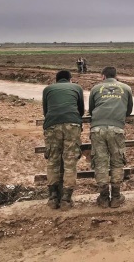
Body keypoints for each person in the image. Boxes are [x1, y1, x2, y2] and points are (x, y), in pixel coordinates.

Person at [89, 66, 133, 208]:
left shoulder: (96, 89)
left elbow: (91, 109)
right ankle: (116, 197)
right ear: (116, 75)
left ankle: (103, 198)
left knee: (100, 162)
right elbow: (129, 110)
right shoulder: (126, 88)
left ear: (103, 76)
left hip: (97, 129)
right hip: (116, 129)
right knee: (117, 162)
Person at [42, 70, 85, 209]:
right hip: (72, 125)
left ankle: (53, 198)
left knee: (53, 160)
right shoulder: (77, 88)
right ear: (70, 79)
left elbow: (46, 111)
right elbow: (81, 110)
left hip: (52, 125)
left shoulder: (47, 89)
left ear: (56, 80)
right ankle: (66, 199)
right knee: (70, 161)